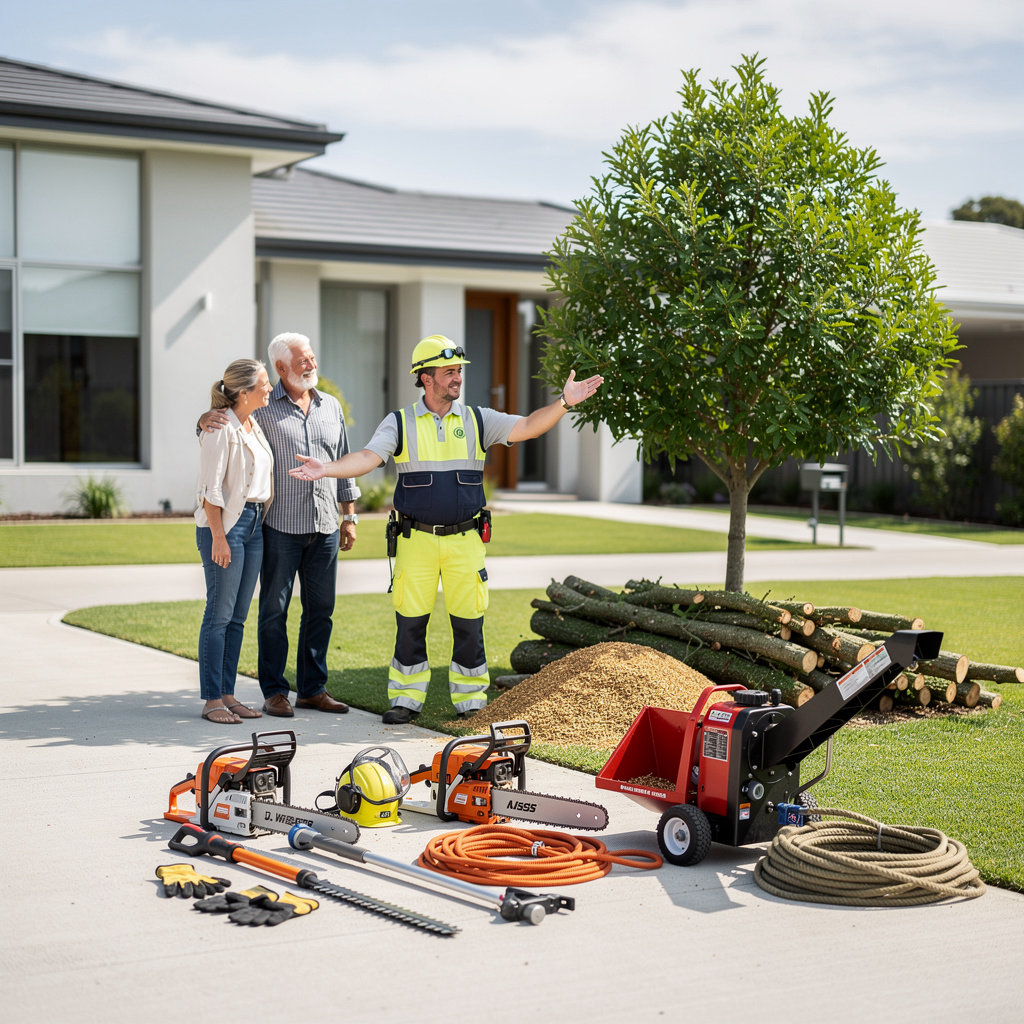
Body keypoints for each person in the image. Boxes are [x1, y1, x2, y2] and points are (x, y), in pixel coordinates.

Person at [288, 333, 604, 724]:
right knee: (411, 624)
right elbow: (369, 457)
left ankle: (471, 701)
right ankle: (405, 699)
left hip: (466, 541)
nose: (457, 378)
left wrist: (563, 403)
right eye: (449, 371)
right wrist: (326, 469)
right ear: (426, 378)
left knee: (470, 625)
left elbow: (527, 427)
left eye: (458, 371)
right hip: (415, 541)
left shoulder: (477, 419)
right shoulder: (400, 422)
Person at [199, 332, 358, 717]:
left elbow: (344, 461)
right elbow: (220, 430)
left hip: (324, 524)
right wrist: (203, 419)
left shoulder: (330, 407)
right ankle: (274, 692)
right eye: (303, 360)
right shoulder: (264, 407)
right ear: (281, 367)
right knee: (273, 611)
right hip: (279, 527)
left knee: (321, 609)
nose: (312, 364)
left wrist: (349, 515)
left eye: (312, 357)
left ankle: (313, 689)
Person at [194, 359, 274, 724]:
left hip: (254, 525)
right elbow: (209, 490)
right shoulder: (220, 426)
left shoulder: (251, 424)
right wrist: (218, 537)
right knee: (219, 615)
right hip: (226, 526)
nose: (270, 388)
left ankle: (228, 693)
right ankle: (212, 699)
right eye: (264, 384)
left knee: (238, 617)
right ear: (244, 393)